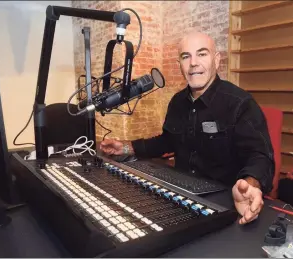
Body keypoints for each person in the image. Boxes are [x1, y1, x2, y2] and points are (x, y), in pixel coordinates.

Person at [99, 31, 274, 225]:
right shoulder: (177, 102)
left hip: (226, 204)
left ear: (216, 60)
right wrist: (125, 147)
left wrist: (249, 185)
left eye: (202, 54)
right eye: (186, 56)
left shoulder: (241, 103)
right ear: (180, 65)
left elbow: (260, 156)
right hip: (179, 198)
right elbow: (167, 141)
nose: (193, 63)